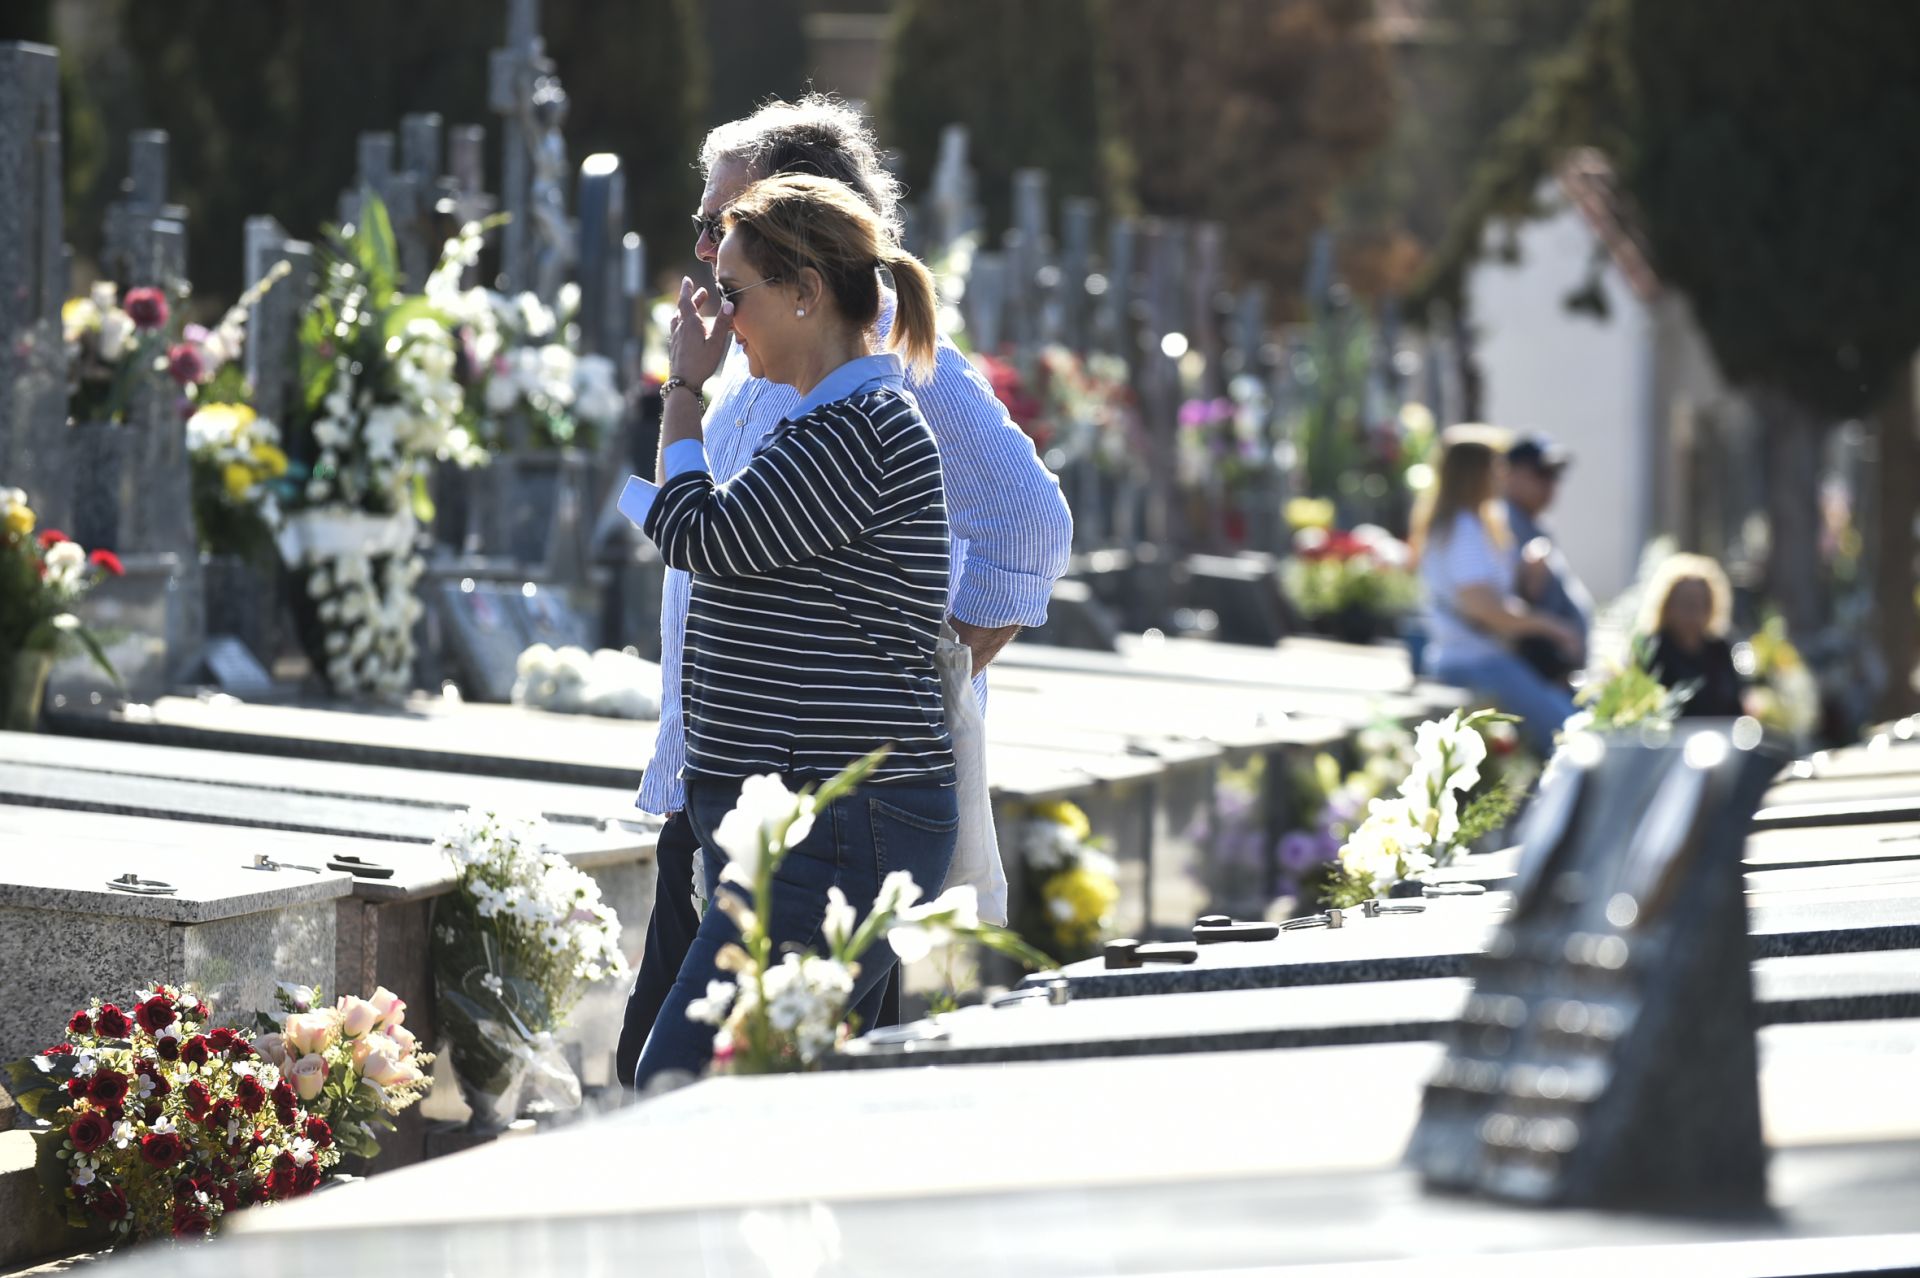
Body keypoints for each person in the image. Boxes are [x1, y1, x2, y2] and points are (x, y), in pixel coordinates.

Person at [615, 98, 1073, 1086]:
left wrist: (917, 666)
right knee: (687, 1071)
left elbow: (1031, 527)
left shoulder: (891, 383)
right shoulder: (785, 358)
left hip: (822, 795)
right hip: (743, 785)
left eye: (720, 225)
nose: (703, 253)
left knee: (690, 1079)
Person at [620, 173, 965, 1088]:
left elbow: (703, 535)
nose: (723, 318)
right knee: (756, 1091)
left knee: (683, 1086)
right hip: (813, 823)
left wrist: (683, 392)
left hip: (837, 826)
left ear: (806, 293)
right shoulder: (830, 422)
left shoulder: (860, 427)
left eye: (737, 295)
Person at [1413, 425, 1580, 756]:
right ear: (1475, 473)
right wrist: (1553, 628)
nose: (1502, 476)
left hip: (1485, 658)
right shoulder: (1462, 530)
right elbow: (1485, 609)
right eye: (1496, 467)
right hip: (1474, 662)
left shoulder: (1472, 525)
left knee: (1567, 730)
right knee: (1570, 739)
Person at [1503, 433, 1594, 680]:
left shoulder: (1533, 524)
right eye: (1540, 474)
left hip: (1552, 671)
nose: (1550, 485)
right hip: (1527, 671)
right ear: (1510, 474)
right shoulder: (1503, 523)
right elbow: (1506, 605)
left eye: (1554, 476)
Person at [1637, 553, 1744, 718]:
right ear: (1667, 605)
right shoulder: (1652, 650)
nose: (1692, 612)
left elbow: (1735, 709)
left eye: (1700, 604)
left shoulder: (1720, 650)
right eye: (1685, 603)